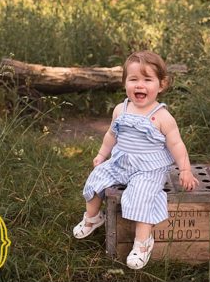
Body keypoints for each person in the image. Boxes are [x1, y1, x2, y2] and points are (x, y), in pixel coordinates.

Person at [71, 51, 197, 269]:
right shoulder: (121, 109)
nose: (140, 85)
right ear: (125, 83)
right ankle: (93, 217)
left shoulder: (162, 117)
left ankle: (142, 242)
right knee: (95, 179)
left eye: (147, 80)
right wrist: (102, 155)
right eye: (133, 79)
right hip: (121, 162)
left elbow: (177, 144)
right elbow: (111, 135)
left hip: (149, 168)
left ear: (161, 84)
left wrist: (185, 169)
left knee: (139, 196)